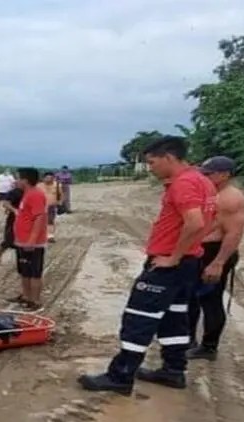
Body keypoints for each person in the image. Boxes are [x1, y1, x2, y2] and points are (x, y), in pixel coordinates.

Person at [79, 136, 215, 395]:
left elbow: (195, 223)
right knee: (175, 318)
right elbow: (206, 221)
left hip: (169, 265)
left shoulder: (184, 183)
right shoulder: (202, 180)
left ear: (169, 157)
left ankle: (120, 376)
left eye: (152, 162)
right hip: (189, 262)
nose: (150, 168)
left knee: (139, 318)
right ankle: (173, 370)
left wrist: (173, 257)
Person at [187, 156, 244, 361]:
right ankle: (189, 339)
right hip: (202, 250)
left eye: (209, 173)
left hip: (215, 251)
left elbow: (234, 233)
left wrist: (218, 262)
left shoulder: (231, 198)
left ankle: (209, 347)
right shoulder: (213, 193)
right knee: (192, 296)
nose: (204, 176)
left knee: (210, 300)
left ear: (224, 175)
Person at [11, 168, 49, 310]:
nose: (16, 181)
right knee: (25, 271)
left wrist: (32, 239)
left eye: (18, 178)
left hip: (32, 243)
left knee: (34, 273)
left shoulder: (35, 195)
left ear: (25, 180)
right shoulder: (27, 194)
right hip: (22, 241)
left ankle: (35, 301)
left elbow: (39, 218)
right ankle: (26, 297)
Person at [39, 171, 62, 242]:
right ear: (43, 178)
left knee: (50, 221)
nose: (49, 179)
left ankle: (50, 236)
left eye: (51, 178)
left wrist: (59, 203)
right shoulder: (39, 186)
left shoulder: (57, 185)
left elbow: (60, 195)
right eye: (47, 178)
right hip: (40, 206)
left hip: (52, 206)